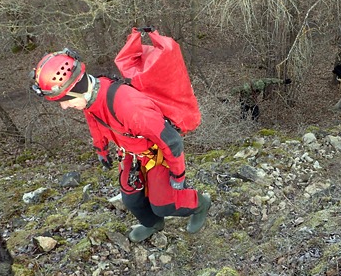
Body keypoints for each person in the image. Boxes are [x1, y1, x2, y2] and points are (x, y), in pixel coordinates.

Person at [31, 49, 211, 243]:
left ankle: (200, 204)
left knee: (164, 204)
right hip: (130, 152)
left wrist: (178, 175)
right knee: (131, 199)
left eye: (66, 100)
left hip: (155, 154)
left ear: (78, 89)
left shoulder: (130, 107)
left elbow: (172, 141)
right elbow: (95, 121)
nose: (64, 107)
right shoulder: (89, 99)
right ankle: (154, 224)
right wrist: (101, 149)